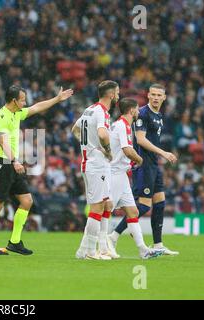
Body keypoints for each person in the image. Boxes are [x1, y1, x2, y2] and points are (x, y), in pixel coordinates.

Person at [0, 84, 73, 255]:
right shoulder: (1, 117)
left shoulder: (16, 113)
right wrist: (15, 160)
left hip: (11, 163)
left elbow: (36, 108)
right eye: (22, 99)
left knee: (26, 201)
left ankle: (14, 242)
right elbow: (2, 141)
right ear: (14, 100)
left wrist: (57, 99)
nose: (25, 102)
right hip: (2, 162)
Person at [109, 84, 179, 255]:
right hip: (143, 164)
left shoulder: (159, 115)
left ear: (164, 97)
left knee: (160, 202)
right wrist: (163, 153)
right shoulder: (143, 114)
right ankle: (114, 235)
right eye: (153, 94)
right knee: (144, 206)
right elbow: (140, 139)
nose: (155, 97)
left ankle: (158, 244)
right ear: (148, 95)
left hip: (153, 164)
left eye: (158, 95)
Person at [107, 98, 164, 259]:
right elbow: (127, 150)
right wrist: (139, 160)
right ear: (132, 110)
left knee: (133, 211)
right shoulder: (122, 125)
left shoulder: (121, 124)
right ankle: (101, 246)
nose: (139, 111)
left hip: (121, 174)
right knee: (105, 212)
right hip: (115, 174)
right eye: (137, 109)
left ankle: (143, 250)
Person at [72, 80, 118, 260]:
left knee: (105, 204)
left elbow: (75, 129)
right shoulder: (102, 112)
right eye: (117, 92)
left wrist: (87, 146)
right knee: (97, 208)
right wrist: (107, 151)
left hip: (91, 162)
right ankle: (90, 252)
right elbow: (102, 134)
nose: (118, 95)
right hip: (96, 164)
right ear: (111, 94)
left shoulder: (88, 109)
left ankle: (84, 250)